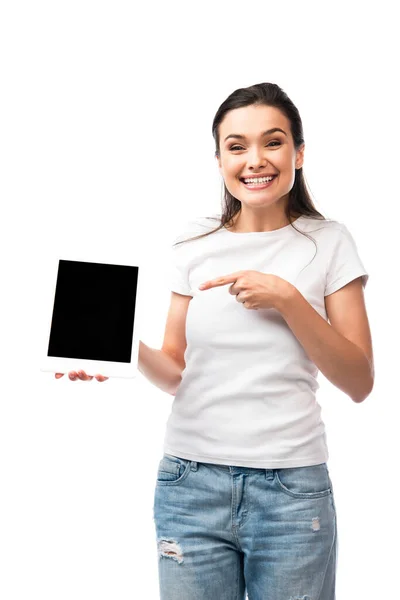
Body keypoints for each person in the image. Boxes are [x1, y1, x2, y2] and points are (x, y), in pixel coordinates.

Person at [56, 82, 374, 599]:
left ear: (298, 152)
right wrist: (120, 348)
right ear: (220, 158)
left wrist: (289, 300)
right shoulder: (193, 243)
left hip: (291, 492)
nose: (255, 160)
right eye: (236, 146)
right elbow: (175, 371)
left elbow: (360, 381)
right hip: (189, 485)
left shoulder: (329, 241)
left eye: (273, 142)